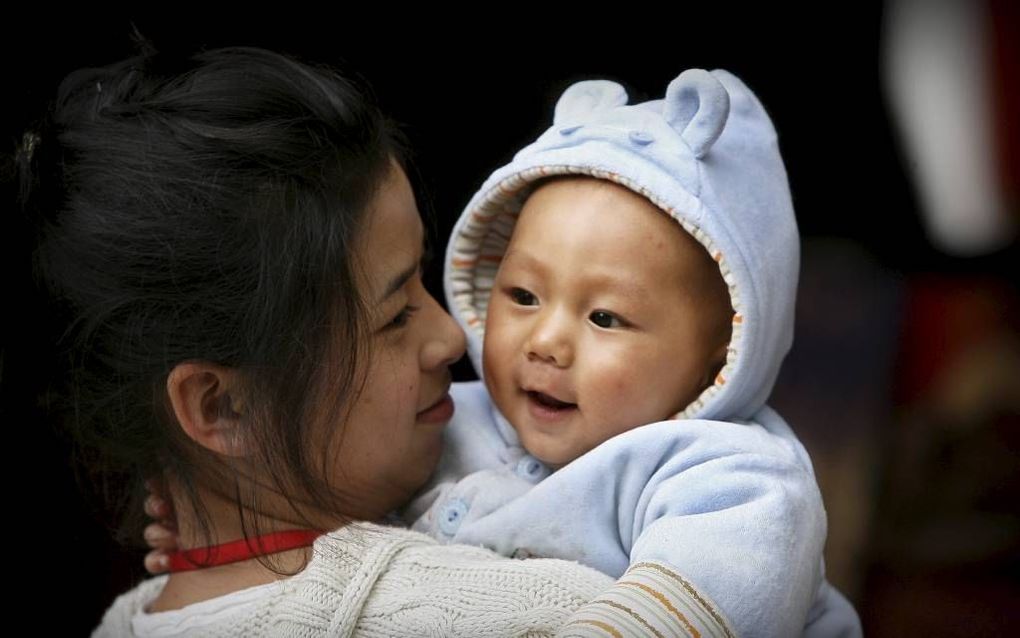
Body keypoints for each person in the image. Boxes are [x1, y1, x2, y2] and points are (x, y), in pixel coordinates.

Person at [21, 45, 709, 636]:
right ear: (221, 408)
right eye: (394, 315)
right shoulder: (543, 610)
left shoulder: (126, 621)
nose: (450, 335)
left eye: (423, 282)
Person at [399, 69, 861, 637]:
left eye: (604, 317)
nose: (545, 342)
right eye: (523, 295)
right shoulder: (446, 417)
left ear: (720, 360)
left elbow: (687, 614)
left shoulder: (732, 479)